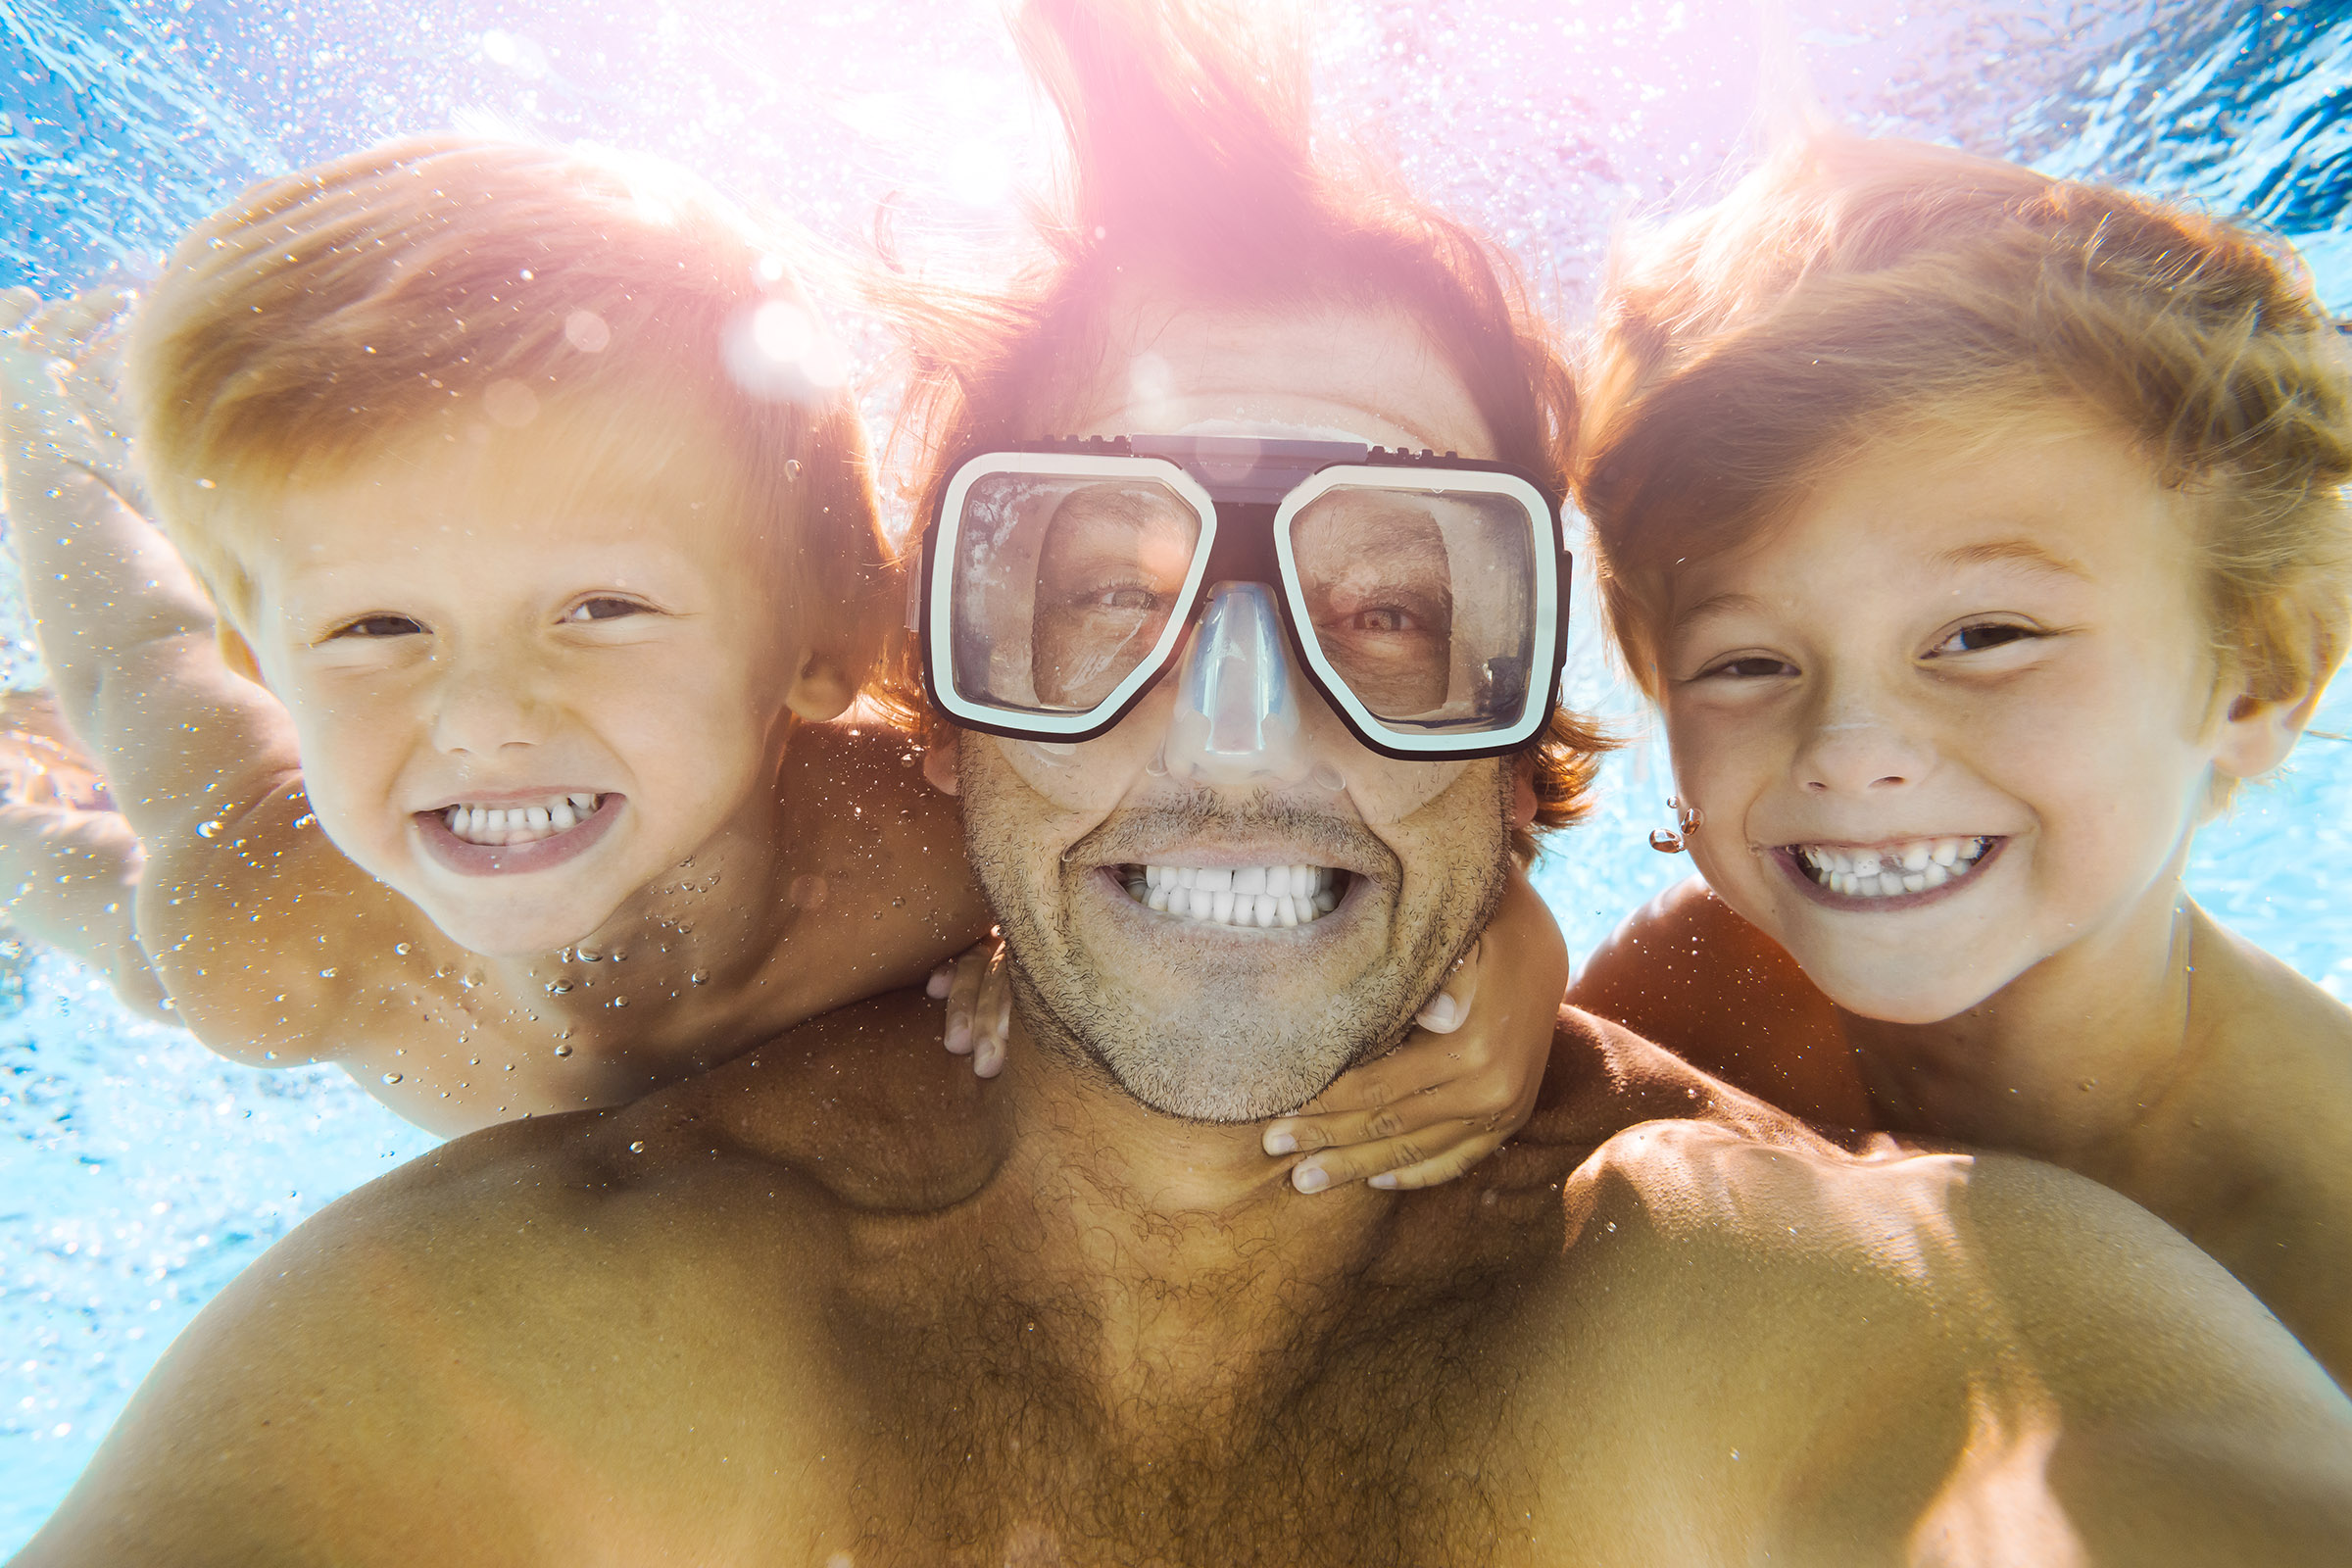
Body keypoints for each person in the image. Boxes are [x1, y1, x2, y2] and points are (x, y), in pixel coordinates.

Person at [17, 6, 2352, 1561]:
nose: (1235, 726)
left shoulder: (1851, 1286)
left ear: (1547, 710)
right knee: (201, 877)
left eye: (1396, 602)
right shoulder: (505, 1324)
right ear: (933, 677)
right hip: (292, 907)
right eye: (1093, 579)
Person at [0, 134, 1564, 1177]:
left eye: (600, 610)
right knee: (141, 879)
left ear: (825, 643)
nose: (480, 716)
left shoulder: (932, 847)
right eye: (374, 629)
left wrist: (1511, 962)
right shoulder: (273, 937)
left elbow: (1292, 828)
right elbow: (158, 664)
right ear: (279, 659)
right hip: (265, 894)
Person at [1565, 135, 2352, 1383]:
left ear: (2262, 674)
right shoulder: (1694, 987)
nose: (1850, 752)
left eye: (1986, 636)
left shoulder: (2320, 1250)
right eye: (1748, 662)